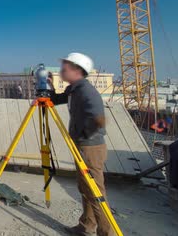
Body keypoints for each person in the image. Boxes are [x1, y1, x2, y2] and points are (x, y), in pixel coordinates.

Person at [50, 53, 113, 236]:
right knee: (85, 188)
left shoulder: (86, 91)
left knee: (96, 193)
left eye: (65, 68)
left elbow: (98, 120)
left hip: (90, 147)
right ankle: (86, 226)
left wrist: (81, 135)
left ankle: (107, 233)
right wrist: (48, 88)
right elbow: (56, 99)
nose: (62, 71)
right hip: (84, 145)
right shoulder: (74, 89)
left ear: (77, 70)